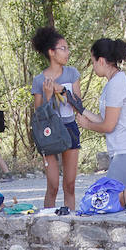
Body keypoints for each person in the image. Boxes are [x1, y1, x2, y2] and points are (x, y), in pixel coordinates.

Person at [75, 38, 126, 210]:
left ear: (101, 60)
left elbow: (108, 126)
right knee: (124, 203)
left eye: (93, 62)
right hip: (123, 151)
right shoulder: (112, 83)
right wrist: (81, 110)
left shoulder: (116, 85)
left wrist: (86, 125)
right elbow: (104, 118)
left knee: (104, 199)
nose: (93, 66)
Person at [31, 26, 82, 211]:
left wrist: (62, 91)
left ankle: (71, 222)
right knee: (52, 185)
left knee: (70, 185)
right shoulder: (38, 80)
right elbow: (39, 114)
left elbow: (78, 105)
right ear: (51, 52)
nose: (67, 52)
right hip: (48, 133)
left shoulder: (72, 73)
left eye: (67, 48)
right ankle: (48, 223)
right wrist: (47, 95)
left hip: (70, 129)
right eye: (63, 48)